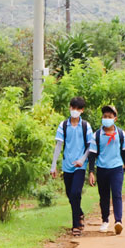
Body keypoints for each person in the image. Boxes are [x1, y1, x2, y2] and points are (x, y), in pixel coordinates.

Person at [51, 96, 95, 237]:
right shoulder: (63, 125)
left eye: (77, 109)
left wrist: (82, 160)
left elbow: (90, 146)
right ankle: (80, 214)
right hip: (67, 165)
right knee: (70, 195)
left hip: (80, 165)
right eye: (72, 108)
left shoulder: (85, 126)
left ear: (82, 110)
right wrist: (53, 166)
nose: (74, 111)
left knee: (76, 193)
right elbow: (59, 146)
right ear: (69, 108)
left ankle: (76, 225)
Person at [88, 104, 125, 235]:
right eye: (104, 116)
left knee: (117, 194)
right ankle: (105, 220)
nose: (106, 118)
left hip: (117, 168)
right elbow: (92, 154)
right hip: (102, 169)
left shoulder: (121, 134)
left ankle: (118, 221)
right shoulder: (97, 135)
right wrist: (91, 172)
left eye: (109, 116)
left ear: (115, 119)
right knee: (104, 196)